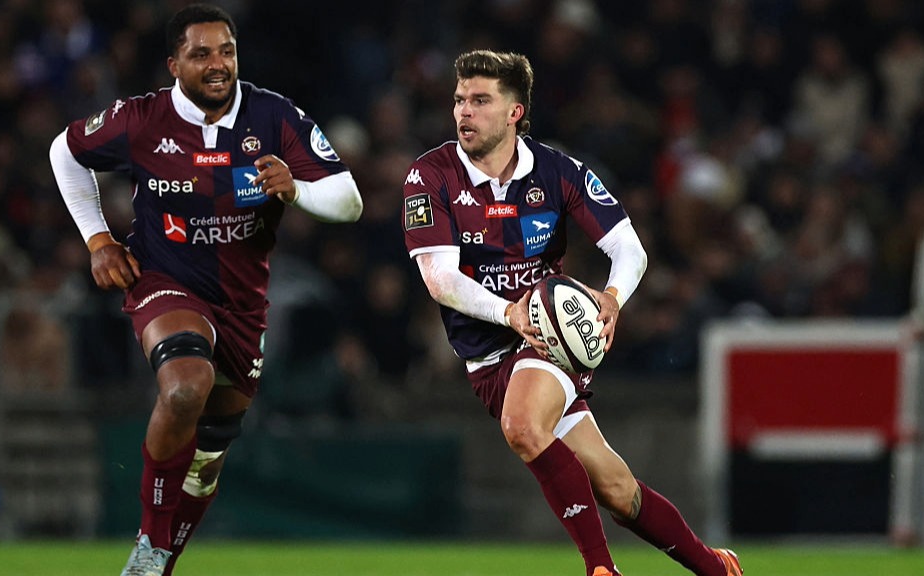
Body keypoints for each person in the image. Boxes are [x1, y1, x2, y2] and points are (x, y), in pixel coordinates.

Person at [49, 4, 362, 575]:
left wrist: (296, 191)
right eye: (201, 54)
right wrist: (97, 239)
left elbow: (349, 199)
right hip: (164, 280)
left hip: (243, 303)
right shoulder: (141, 120)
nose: (218, 65)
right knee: (184, 387)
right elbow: (64, 153)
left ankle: (162, 560)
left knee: (211, 451)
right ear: (174, 64)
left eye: (227, 51)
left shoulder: (273, 117)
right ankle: (148, 542)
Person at [403, 49, 742, 576]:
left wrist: (611, 298)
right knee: (616, 489)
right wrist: (508, 312)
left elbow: (630, 250)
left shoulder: (560, 172)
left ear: (515, 112)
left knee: (521, 427)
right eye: (459, 100)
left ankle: (600, 569)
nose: (463, 112)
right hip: (488, 353)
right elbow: (439, 279)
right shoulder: (431, 176)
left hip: (552, 337)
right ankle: (715, 568)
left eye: (480, 100)